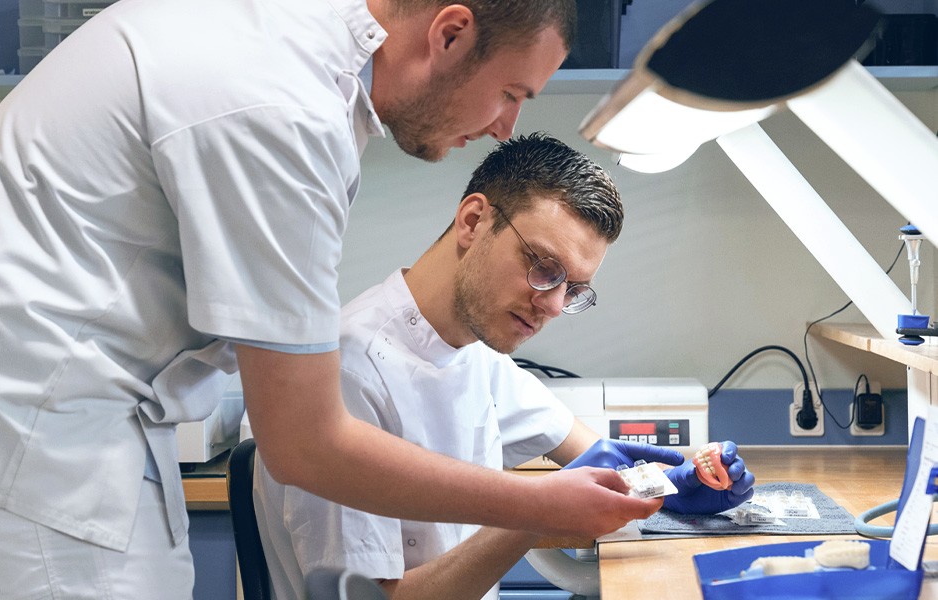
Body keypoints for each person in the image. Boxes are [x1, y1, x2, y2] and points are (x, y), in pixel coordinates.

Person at [0, 1, 653, 597]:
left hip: (81, 441)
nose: (505, 127)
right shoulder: (284, 108)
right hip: (49, 452)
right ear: (450, 34)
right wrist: (534, 509)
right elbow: (304, 442)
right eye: (510, 93)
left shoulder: (305, 76)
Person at [253, 133, 756, 600]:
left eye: (573, 288)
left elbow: (589, 456)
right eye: (542, 266)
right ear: (474, 222)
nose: (555, 306)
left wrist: (671, 485)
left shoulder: (473, 347)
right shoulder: (352, 369)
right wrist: (533, 514)